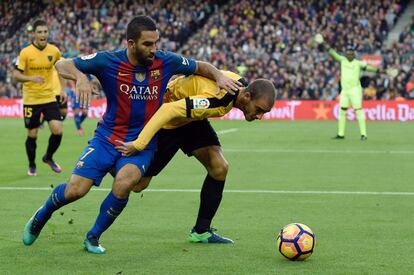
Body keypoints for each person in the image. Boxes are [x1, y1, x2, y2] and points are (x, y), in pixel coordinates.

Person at [22, 15, 242, 254]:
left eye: (156, 43)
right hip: (106, 137)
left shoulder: (166, 61)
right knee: (76, 190)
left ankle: (93, 237)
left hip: (142, 142)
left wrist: (219, 76)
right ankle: (42, 214)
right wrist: (81, 77)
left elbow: (199, 66)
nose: (153, 49)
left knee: (126, 183)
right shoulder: (108, 61)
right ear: (130, 43)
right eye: (147, 44)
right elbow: (62, 64)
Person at [115, 71, 276, 244]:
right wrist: (140, 143)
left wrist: (182, 79)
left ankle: (201, 231)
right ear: (247, 95)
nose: (260, 116)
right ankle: (109, 157)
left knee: (219, 167)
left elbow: (202, 74)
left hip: (190, 119)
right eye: (259, 110)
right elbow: (169, 109)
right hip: (168, 120)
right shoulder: (217, 101)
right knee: (139, 185)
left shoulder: (238, 83)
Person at [12, 19, 64, 176]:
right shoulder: (26, 52)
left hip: (48, 97)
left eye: (45, 32)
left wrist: (62, 89)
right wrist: (31, 78)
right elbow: (15, 74)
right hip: (31, 99)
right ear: (34, 34)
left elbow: (61, 69)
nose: (43, 35)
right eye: (39, 32)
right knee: (32, 134)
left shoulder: (54, 51)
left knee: (58, 130)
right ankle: (32, 165)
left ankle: (48, 157)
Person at [324, 42, 382, 140]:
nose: (349, 54)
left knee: (358, 111)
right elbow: (334, 54)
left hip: (355, 91)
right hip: (345, 92)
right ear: (346, 54)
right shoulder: (342, 60)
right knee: (342, 112)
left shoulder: (358, 63)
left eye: (351, 53)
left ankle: (363, 134)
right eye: (348, 53)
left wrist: (377, 70)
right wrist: (327, 47)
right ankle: (340, 134)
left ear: (354, 54)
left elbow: (368, 68)